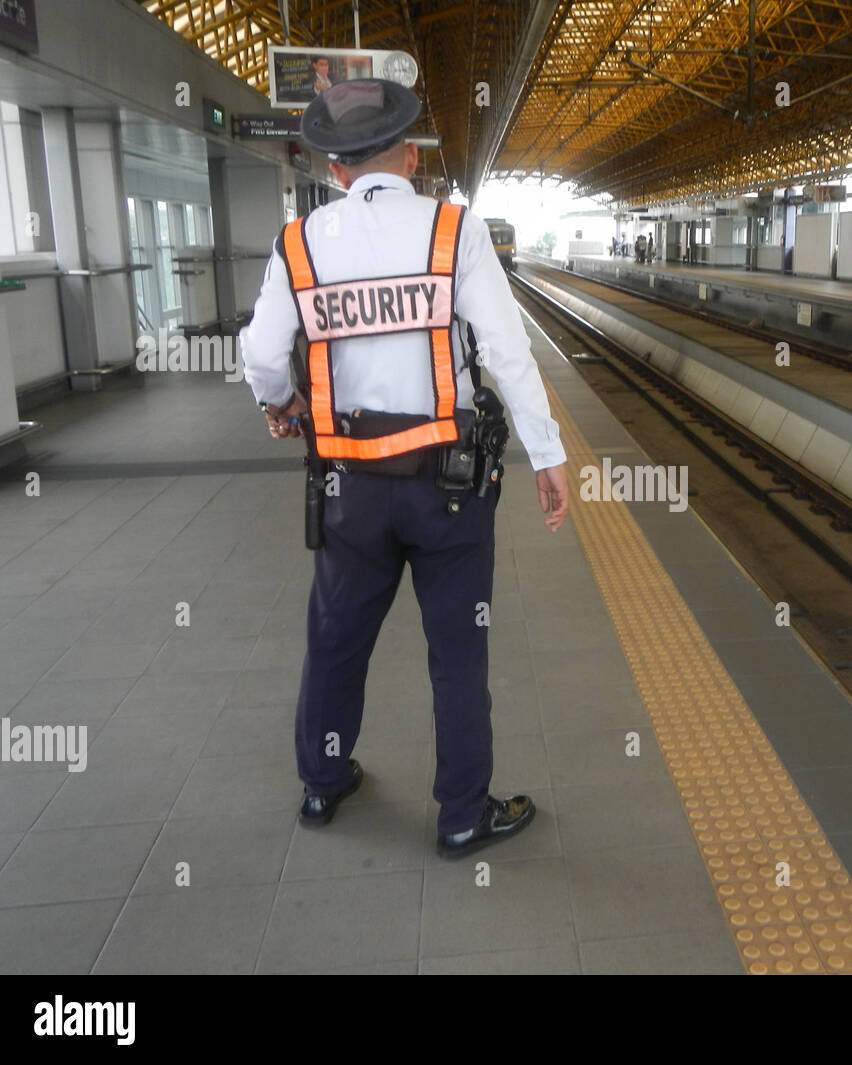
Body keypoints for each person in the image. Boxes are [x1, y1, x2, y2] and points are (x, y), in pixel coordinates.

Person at [240, 79, 569, 859]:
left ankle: (322, 781)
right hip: (448, 487)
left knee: (335, 637)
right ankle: (460, 814)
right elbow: (505, 351)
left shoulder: (301, 241)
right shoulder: (455, 230)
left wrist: (282, 406)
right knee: (459, 650)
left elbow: (260, 356)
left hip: (348, 487)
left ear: (338, 167)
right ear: (411, 153)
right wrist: (548, 453)